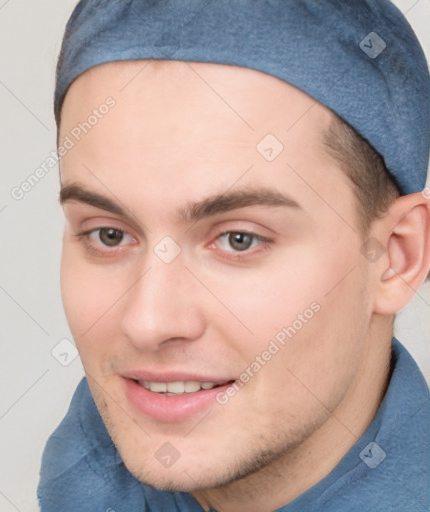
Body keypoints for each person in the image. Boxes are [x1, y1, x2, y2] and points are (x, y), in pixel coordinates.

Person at [38, 1, 430, 511]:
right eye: (109, 234)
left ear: (397, 256)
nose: (148, 322)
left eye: (238, 239)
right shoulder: (76, 482)